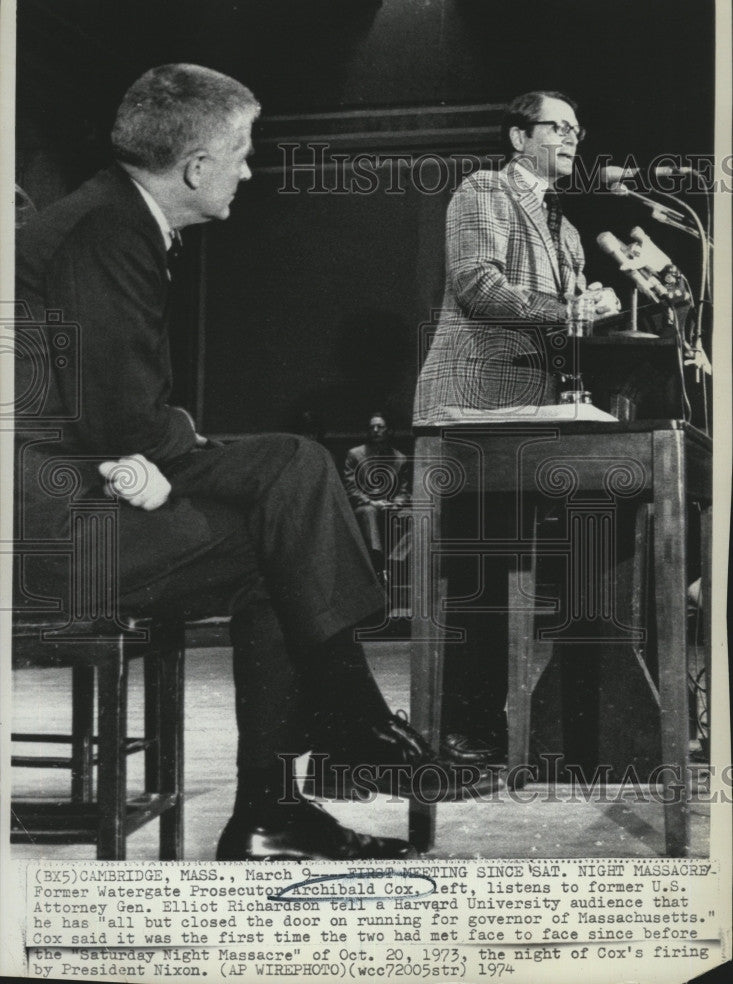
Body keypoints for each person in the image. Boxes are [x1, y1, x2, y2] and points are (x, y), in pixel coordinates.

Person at [14, 64, 486, 863]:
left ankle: (280, 807)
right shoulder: (105, 231)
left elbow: (118, 412)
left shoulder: (112, 218)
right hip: (49, 529)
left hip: (78, 495)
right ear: (195, 166)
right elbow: (118, 416)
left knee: (285, 532)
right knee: (292, 478)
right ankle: (342, 738)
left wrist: (181, 441)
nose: (249, 168)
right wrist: (190, 438)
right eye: (241, 151)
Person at [412, 91, 620, 765]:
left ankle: (530, 725)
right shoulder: (483, 192)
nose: (571, 137)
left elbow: (561, 321)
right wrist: (572, 307)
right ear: (516, 136)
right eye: (557, 126)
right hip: (475, 405)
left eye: (576, 128)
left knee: (526, 568)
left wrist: (591, 315)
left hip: (534, 413)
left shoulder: (566, 231)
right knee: (478, 576)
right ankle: (459, 730)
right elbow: (478, 286)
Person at [343, 412, 410, 581]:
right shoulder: (355, 455)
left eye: (380, 427)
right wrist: (373, 502)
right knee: (369, 512)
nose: (375, 430)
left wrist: (394, 504)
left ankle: (396, 561)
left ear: (389, 431)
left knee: (414, 516)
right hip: (364, 506)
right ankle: (379, 566)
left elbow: (403, 491)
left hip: (389, 507)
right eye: (371, 427)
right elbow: (351, 489)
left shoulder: (400, 458)